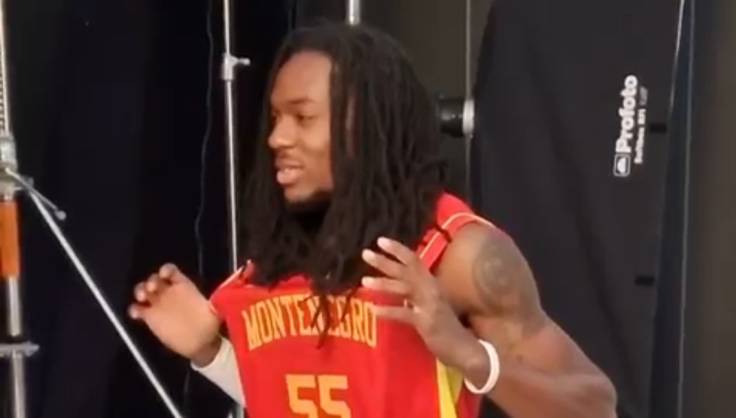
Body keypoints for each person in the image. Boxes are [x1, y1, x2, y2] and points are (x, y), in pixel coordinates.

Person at [128, 23, 617, 418]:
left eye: (302, 118)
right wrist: (211, 353)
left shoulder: (458, 256)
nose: (277, 138)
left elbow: (595, 407)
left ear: (366, 125)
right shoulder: (279, 259)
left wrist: (468, 354)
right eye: (275, 118)